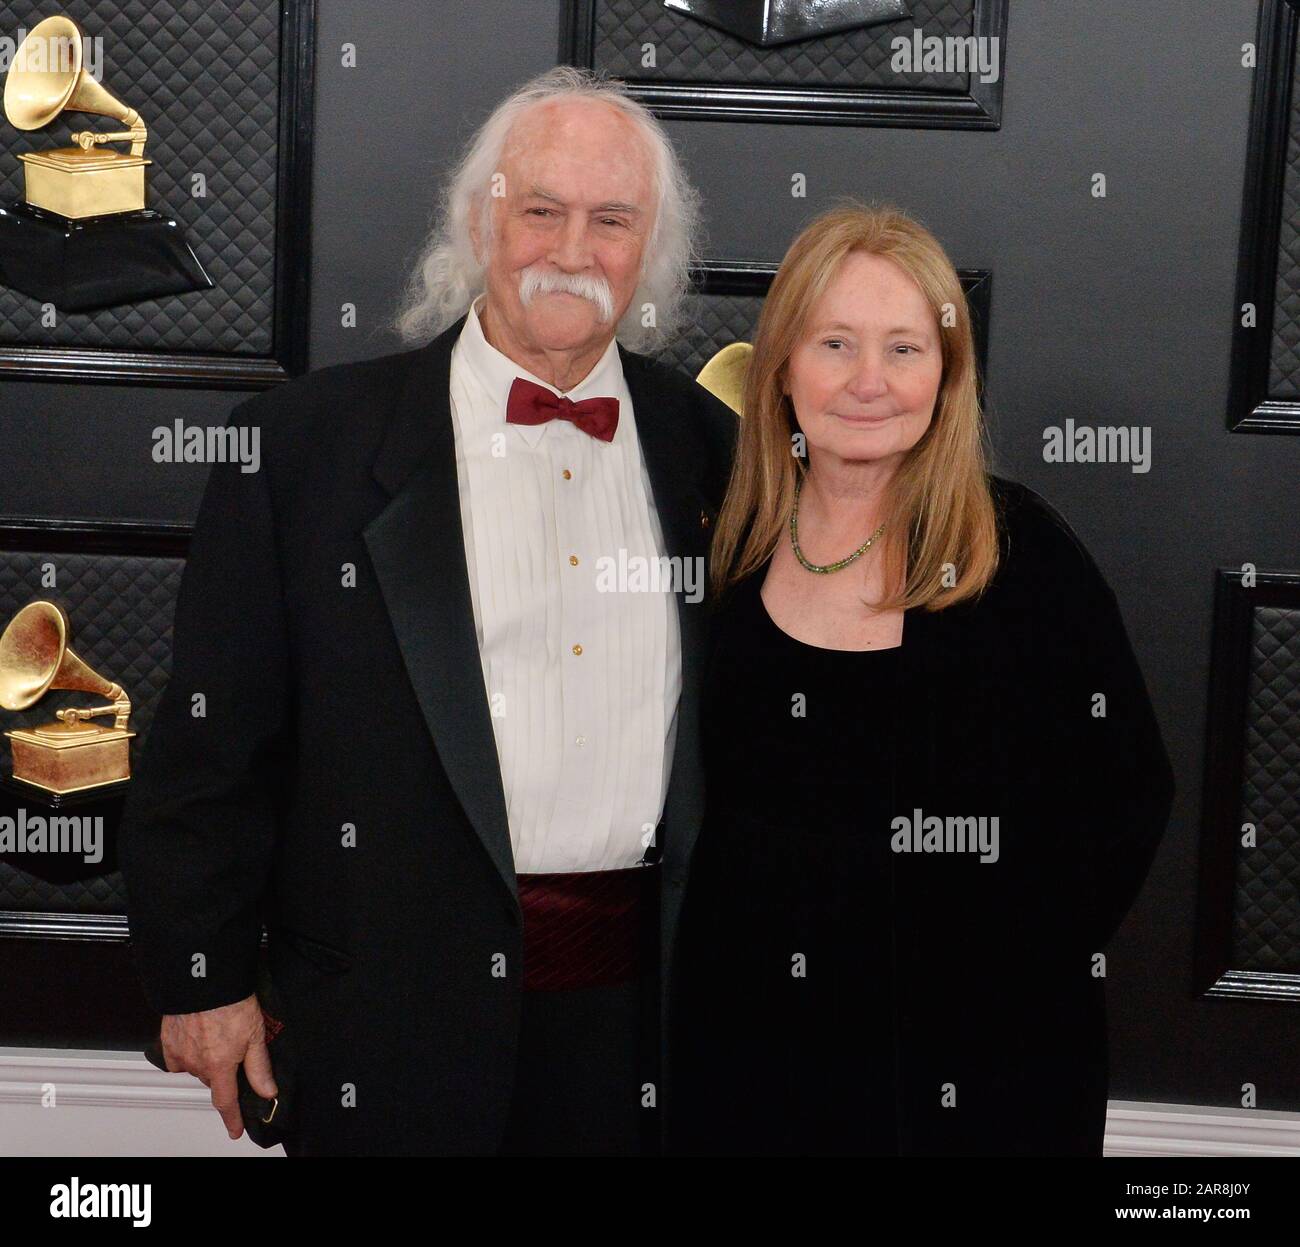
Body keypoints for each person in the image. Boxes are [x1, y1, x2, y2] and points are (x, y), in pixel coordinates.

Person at [119, 66, 736, 1156]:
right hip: (381, 1027)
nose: (570, 246)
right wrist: (202, 976)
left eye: (611, 219)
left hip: (646, 1038)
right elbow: (212, 744)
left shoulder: (717, 454)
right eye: (538, 208)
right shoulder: (301, 446)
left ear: (652, 251)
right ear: (475, 217)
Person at [668, 202, 1175, 1156]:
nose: (870, 382)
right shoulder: (718, 548)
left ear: (947, 376)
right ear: (780, 365)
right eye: (836, 344)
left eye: (906, 348)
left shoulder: (1023, 556)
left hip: (978, 1075)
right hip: (750, 1064)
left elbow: (1127, 796)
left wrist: (993, 976)